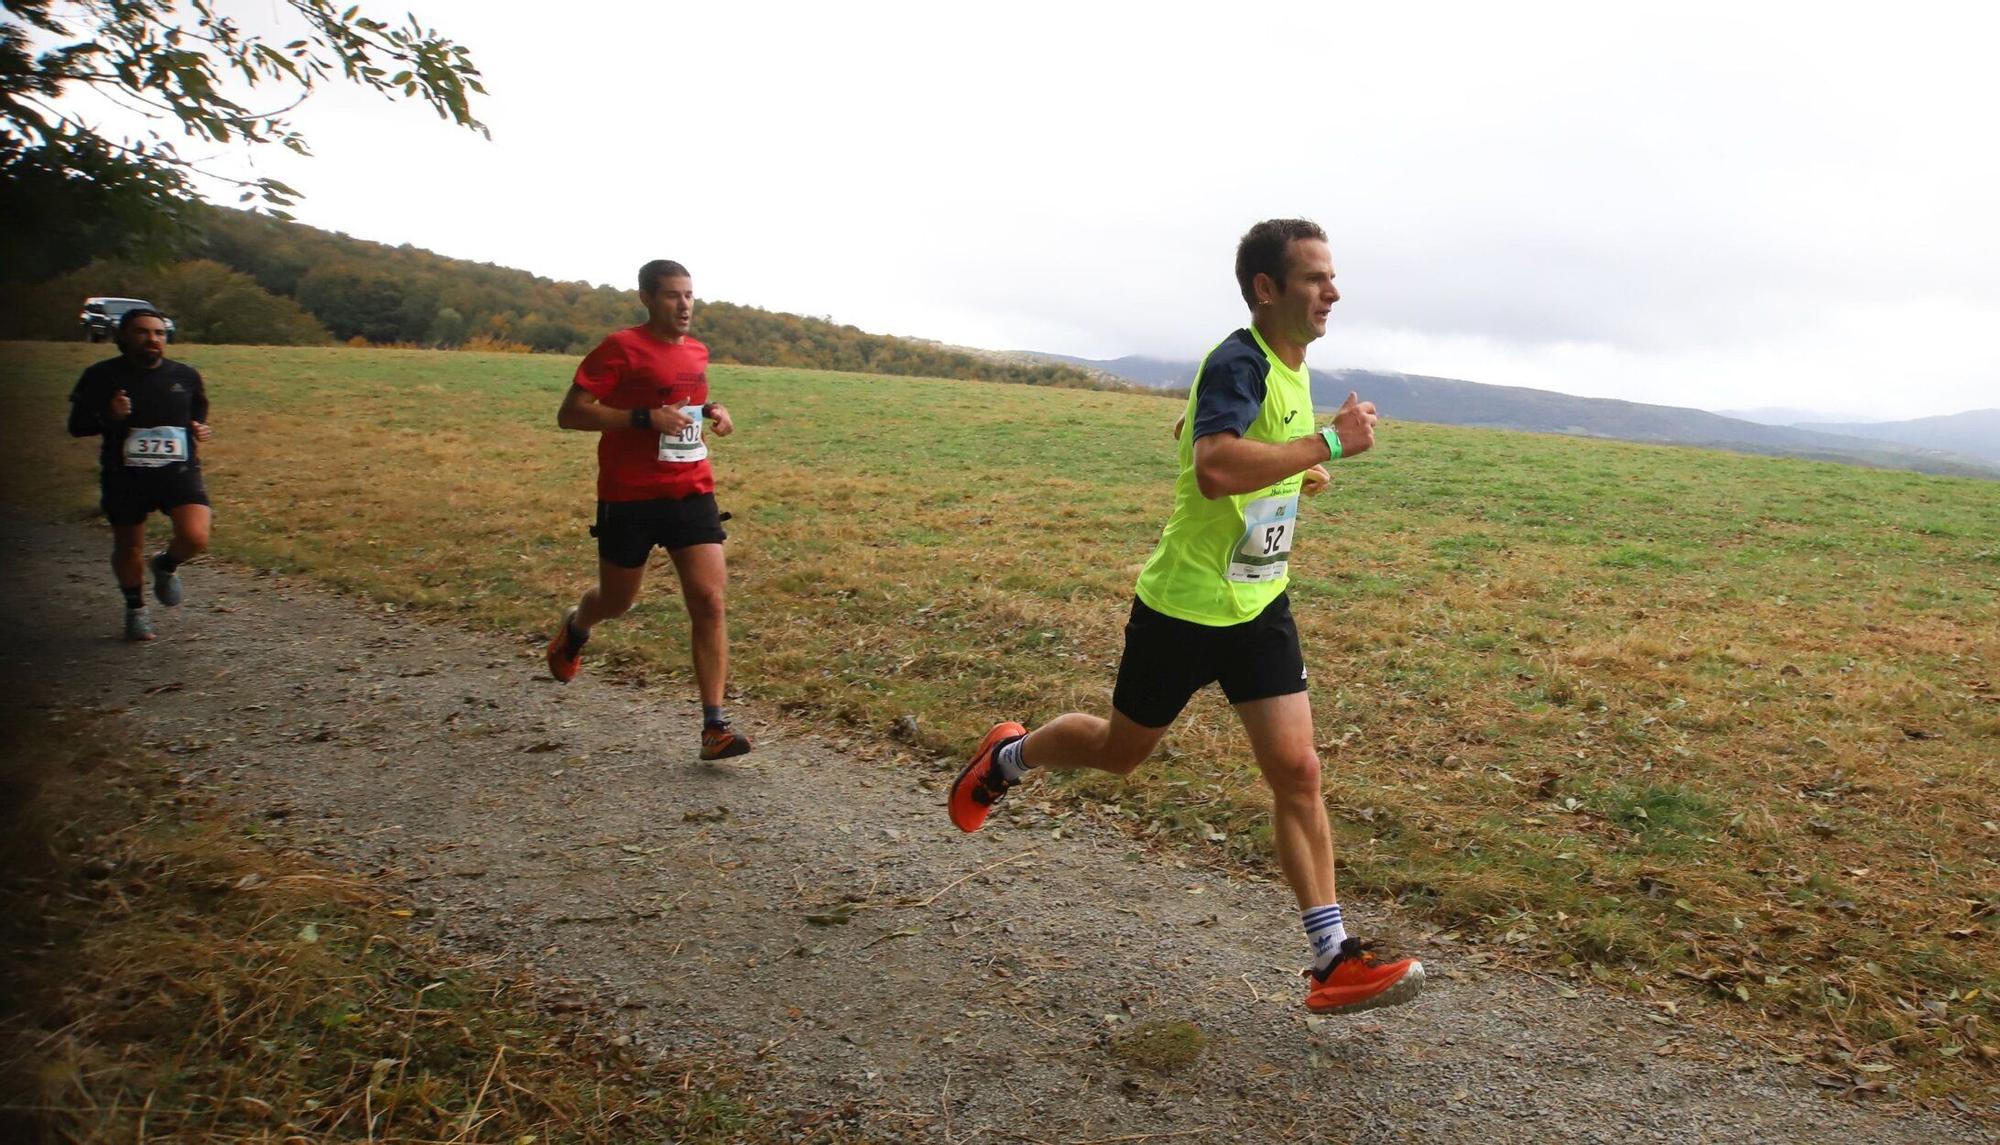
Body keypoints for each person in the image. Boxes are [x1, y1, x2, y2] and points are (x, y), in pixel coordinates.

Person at [949, 219, 1423, 1015]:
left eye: (1332, 277)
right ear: (1267, 289)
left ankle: (1332, 955)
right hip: (1182, 607)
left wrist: (1295, 475)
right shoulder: (1238, 357)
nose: (1332, 291)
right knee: (1118, 750)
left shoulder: (1290, 365)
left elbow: (1242, 450)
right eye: (1314, 278)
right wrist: (1327, 449)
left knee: (1298, 771)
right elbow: (1212, 468)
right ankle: (1007, 757)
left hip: (1258, 603)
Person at [544, 259, 751, 761]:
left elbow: (683, 404)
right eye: (671, 296)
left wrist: (712, 411)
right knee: (617, 601)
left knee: (710, 600)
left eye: (689, 295)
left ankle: (714, 727)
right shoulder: (621, 348)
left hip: (691, 490)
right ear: (646, 298)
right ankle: (576, 627)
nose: (684, 305)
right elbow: (570, 413)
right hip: (629, 496)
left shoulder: (697, 351)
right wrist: (641, 418)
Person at [66, 308, 213, 642]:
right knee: (128, 546)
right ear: (123, 336)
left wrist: (198, 428)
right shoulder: (100, 376)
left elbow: (196, 412)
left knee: (195, 537)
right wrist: (109, 415)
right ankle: (136, 609)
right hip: (125, 475)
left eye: (159, 333)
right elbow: (77, 427)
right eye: (142, 332)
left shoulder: (185, 375)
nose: (152, 339)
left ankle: (165, 565)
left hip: (178, 471)